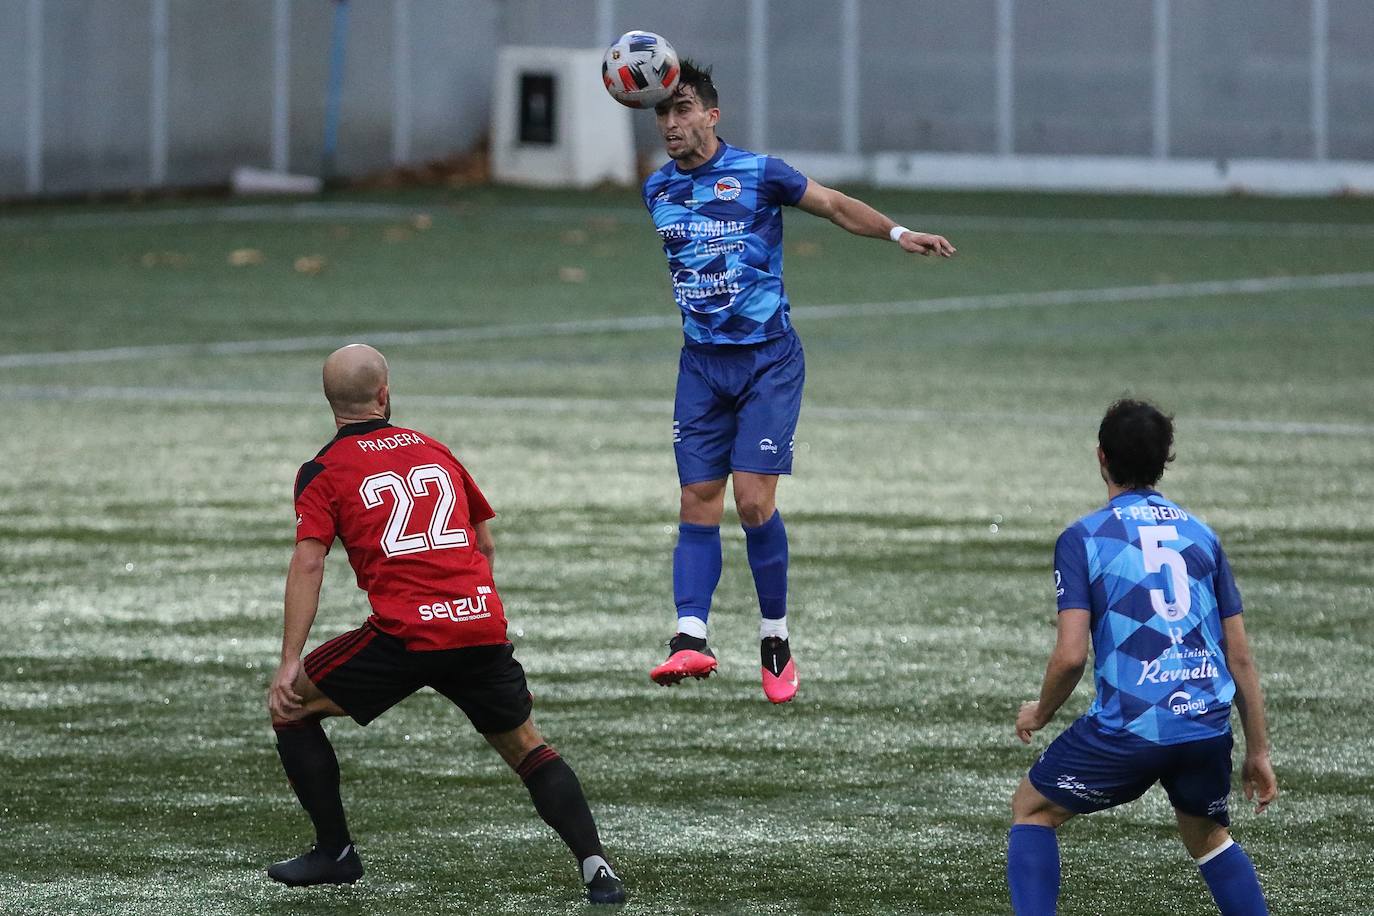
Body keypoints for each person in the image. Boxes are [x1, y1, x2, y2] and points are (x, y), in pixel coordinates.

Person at [642, 60, 956, 703]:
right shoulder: (657, 189)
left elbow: (835, 205)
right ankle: (689, 639)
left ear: (711, 114)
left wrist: (898, 232)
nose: (671, 124)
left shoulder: (760, 173)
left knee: (754, 501)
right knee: (697, 499)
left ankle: (775, 634)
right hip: (700, 365)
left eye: (683, 109)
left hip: (768, 363)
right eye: (662, 113)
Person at [265, 344, 625, 905]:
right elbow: (483, 540)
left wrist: (290, 660)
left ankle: (334, 852)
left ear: (329, 401)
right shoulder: (434, 450)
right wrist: (465, 605)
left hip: (404, 635)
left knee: (291, 706)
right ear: (384, 393)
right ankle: (597, 868)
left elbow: (309, 561)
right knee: (528, 749)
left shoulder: (323, 470)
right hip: (479, 626)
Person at [1007, 399, 1277, 915]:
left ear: (1100, 456)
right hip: (1204, 726)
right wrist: (1257, 751)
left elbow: (1069, 656)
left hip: (1131, 729)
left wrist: (1040, 713)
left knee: (1032, 808)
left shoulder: (1083, 537)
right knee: (1209, 837)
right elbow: (1238, 657)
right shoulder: (1202, 535)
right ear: (1164, 461)